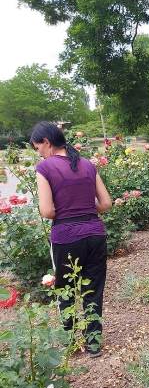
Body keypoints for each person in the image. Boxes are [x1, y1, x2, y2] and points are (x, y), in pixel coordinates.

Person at [33, 121, 112, 356]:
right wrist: (84, 210)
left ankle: (69, 340)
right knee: (93, 289)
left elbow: (46, 211)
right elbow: (106, 203)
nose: (38, 152)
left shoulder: (45, 168)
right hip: (95, 234)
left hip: (66, 237)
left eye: (37, 147)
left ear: (47, 143)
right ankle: (93, 343)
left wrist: (69, 211)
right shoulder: (87, 165)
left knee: (65, 289)